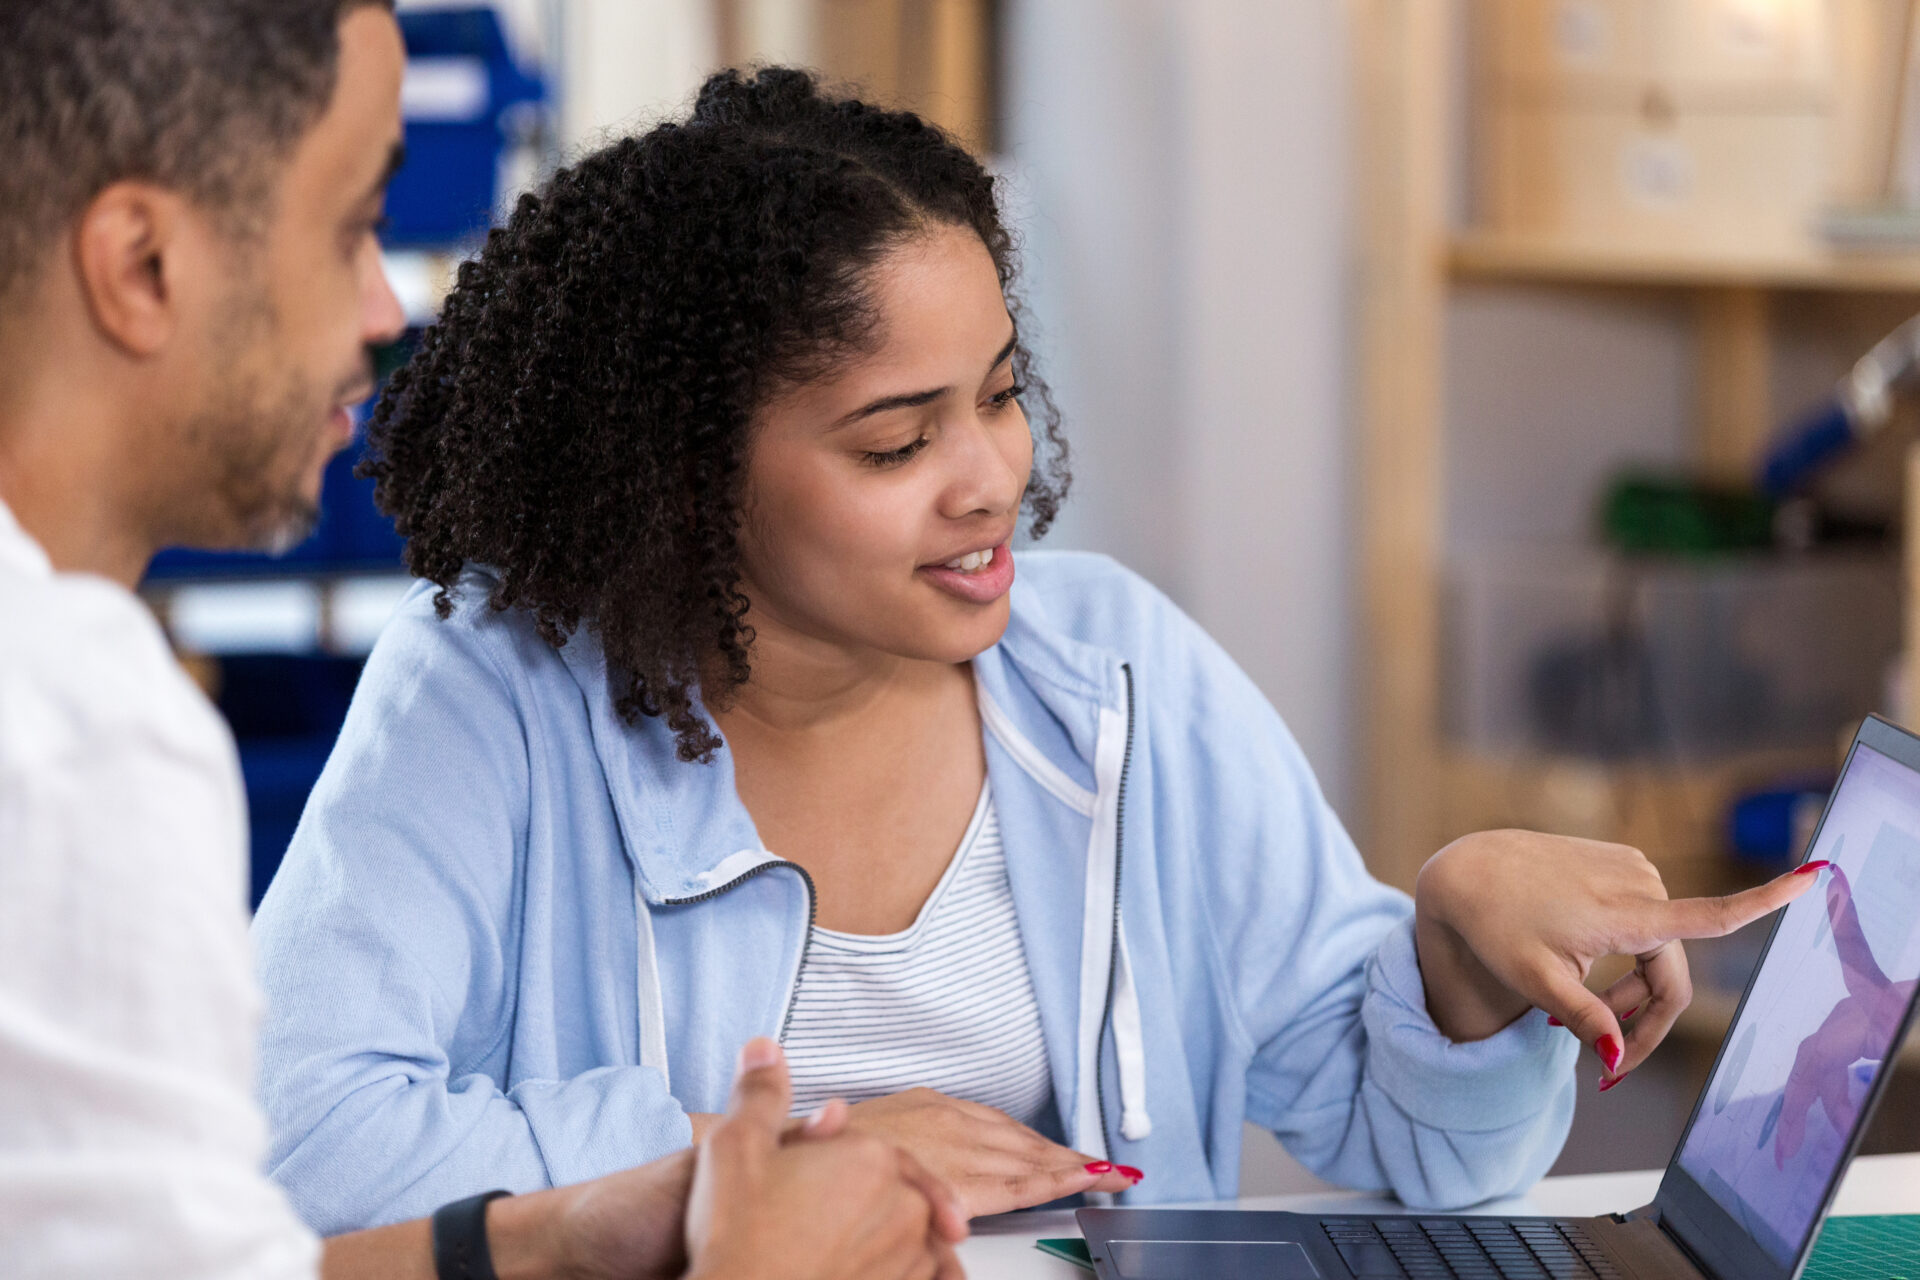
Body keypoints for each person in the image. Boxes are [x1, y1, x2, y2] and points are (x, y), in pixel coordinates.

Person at [251, 66, 1822, 1234]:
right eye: (895, 441)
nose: (992, 474)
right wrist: (787, 1159)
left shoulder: (1119, 671)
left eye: (1000, 393)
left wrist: (1458, 967)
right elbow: (294, 1139)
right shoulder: (489, 689)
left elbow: (1406, 1139)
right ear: (681, 475)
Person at [0, 5, 964, 1278]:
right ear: (143, 266)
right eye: (349, 228)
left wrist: (546, 1235)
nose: (378, 308)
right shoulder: (69, 731)